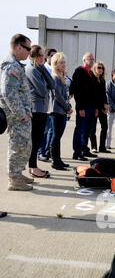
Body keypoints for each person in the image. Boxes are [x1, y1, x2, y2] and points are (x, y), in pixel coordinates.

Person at [0, 33, 34, 191]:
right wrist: (22, 114)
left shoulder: (16, 65)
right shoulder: (11, 66)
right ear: (19, 47)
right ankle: (14, 180)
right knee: (17, 146)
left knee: (24, 146)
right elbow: (8, 93)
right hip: (16, 117)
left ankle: (18, 174)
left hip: (21, 116)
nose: (29, 52)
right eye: (28, 48)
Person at [26, 45, 55, 178]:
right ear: (33, 56)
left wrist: (43, 67)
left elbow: (52, 84)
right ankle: (32, 167)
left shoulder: (39, 69)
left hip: (42, 109)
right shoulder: (31, 70)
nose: (42, 58)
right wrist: (46, 84)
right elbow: (43, 91)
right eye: (40, 55)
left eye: (43, 55)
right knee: (35, 140)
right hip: (35, 110)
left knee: (37, 140)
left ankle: (33, 166)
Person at [70, 52, 98, 160]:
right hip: (83, 107)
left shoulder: (92, 74)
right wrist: (80, 107)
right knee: (80, 130)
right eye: (89, 59)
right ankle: (77, 153)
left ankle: (84, 149)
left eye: (92, 59)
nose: (91, 61)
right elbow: (77, 91)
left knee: (88, 130)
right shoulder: (79, 72)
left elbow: (94, 92)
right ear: (84, 60)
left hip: (91, 107)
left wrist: (96, 108)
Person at [48, 52, 73, 170]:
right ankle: (54, 161)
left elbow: (65, 95)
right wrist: (67, 108)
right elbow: (58, 96)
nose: (64, 64)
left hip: (61, 111)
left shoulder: (61, 76)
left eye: (64, 62)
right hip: (57, 111)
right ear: (55, 64)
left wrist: (67, 106)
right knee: (56, 136)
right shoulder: (55, 77)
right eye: (61, 62)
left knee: (57, 136)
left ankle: (58, 159)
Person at [38, 48, 57, 162]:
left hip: (53, 105)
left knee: (51, 130)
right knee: (44, 130)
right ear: (47, 57)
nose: (54, 58)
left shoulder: (55, 69)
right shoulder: (44, 69)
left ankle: (46, 151)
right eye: (52, 56)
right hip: (44, 105)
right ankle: (40, 152)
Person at [90, 62, 109, 153]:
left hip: (102, 107)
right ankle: (94, 146)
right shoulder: (92, 79)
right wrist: (95, 108)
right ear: (94, 69)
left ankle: (102, 147)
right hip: (94, 107)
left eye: (102, 68)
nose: (101, 70)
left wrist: (106, 104)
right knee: (92, 128)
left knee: (105, 127)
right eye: (99, 68)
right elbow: (92, 95)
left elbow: (103, 94)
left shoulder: (102, 80)